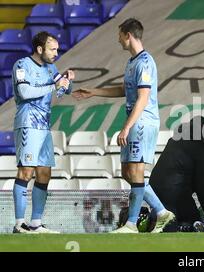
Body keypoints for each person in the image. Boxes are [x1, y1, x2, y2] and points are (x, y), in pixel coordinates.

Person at [72, 18, 174, 233]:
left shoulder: (145, 62)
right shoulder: (132, 62)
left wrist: (127, 127)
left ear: (128, 34)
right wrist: (95, 92)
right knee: (128, 172)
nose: (118, 39)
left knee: (136, 171)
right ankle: (163, 213)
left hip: (142, 122)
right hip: (135, 121)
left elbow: (143, 98)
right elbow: (125, 90)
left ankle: (131, 224)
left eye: (119, 35)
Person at [11, 31, 74, 234]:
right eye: (52, 49)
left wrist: (67, 81)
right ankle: (19, 223)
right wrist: (53, 86)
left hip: (44, 126)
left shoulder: (51, 68)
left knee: (44, 173)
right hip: (28, 123)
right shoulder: (22, 65)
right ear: (40, 49)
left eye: (57, 49)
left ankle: (36, 222)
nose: (56, 53)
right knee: (26, 172)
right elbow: (25, 92)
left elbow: (61, 92)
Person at [149, 116, 204, 231]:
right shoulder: (203, 149)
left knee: (169, 219)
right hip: (174, 189)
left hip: (157, 184)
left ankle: (156, 221)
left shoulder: (186, 134)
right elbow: (203, 187)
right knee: (192, 223)